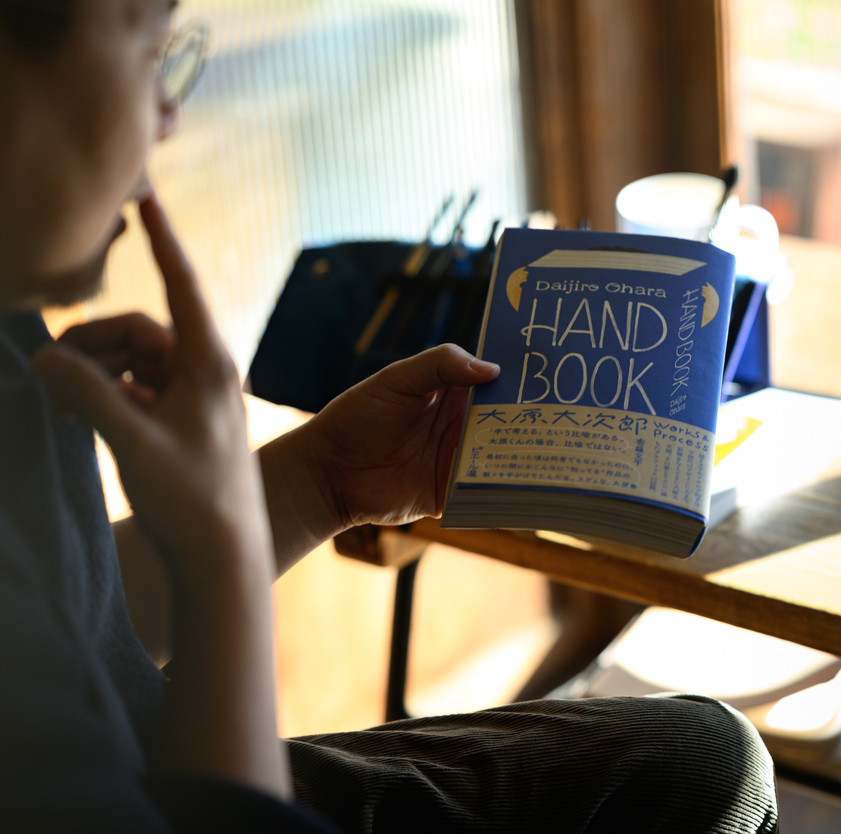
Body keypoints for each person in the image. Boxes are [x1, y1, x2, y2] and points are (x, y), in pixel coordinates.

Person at [0, 1, 781, 831]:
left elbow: (74, 625)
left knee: (707, 761)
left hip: (149, 748)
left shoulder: (17, 331)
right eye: (152, 50)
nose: (169, 116)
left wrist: (320, 480)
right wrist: (219, 565)